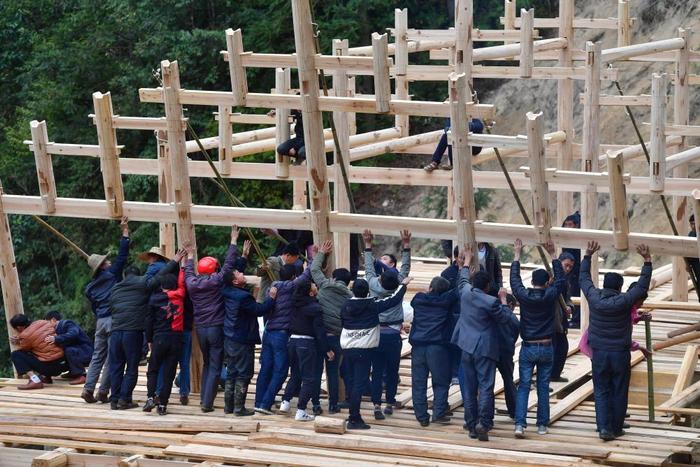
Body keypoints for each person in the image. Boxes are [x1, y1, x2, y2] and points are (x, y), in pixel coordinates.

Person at [581, 241, 652, 441]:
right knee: (619, 389)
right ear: (620, 288)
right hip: (620, 353)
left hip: (599, 353)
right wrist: (647, 260)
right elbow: (642, 286)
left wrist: (587, 255)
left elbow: (584, 278)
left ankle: (604, 428)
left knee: (601, 390)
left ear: (604, 285)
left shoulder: (594, 297)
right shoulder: (625, 300)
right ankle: (616, 427)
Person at [451, 244, 517, 442]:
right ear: (488, 287)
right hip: (485, 348)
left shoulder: (465, 292)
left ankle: (471, 425)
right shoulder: (491, 302)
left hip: (466, 345)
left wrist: (467, 262)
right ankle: (484, 423)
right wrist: (504, 299)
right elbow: (505, 318)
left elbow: (462, 279)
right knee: (486, 386)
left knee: (470, 388)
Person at [510, 239, 566, 438]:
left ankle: (519, 425)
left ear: (532, 282)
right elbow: (561, 281)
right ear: (546, 282)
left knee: (524, 386)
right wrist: (553, 256)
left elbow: (514, 281)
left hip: (528, 347)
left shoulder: (524, 296)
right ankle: (542, 425)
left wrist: (517, 255)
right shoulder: (550, 295)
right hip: (547, 346)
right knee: (543, 387)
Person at [341, 277, 411, 429]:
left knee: (353, 383)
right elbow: (394, 299)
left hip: (347, 349)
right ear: (367, 292)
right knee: (359, 385)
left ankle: (354, 414)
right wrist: (403, 284)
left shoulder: (345, 305)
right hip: (364, 350)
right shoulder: (371, 305)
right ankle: (354, 418)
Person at [183, 226, 240, 413]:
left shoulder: (191, 283)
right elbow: (229, 265)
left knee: (208, 363)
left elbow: (189, 271)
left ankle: (203, 399)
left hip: (200, 328)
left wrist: (190, 255)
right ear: (213, 269)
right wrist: (233, 241)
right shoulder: (216, 281)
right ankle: (207, 403)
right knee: (215, 365)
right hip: (215, 327)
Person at [109, 260, 177, 410]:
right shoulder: (141, 283)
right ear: (138, 274)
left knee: (116, 366)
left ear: (125, 275)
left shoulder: (115, 288)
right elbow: (160, 276)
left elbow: (111, 307)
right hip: (132, 331)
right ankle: (125, 399)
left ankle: (114, 399)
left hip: (114, 332)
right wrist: (175, 261)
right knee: (132, 367)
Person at [363, 229, 412, 420]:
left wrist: (368, 244)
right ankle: (390, 402)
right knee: (392, 371)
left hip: (375, 334)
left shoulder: (373, 285)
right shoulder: (399, 286)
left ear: (381, 277)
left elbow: (368, 268)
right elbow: (405, 269)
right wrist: (406, 245)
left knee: (376, 371)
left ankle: (376, 404)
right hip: (393, 335)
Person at [82, 216, 130, 404]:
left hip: (100, 321)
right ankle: (103, 391)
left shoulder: (91, 287)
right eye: (106, 261)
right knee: (113, 356)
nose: (110, 262)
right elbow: (123, 256)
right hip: (113, 319)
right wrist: (125, 231)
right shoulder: (111, 275)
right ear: (103, 266)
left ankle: (88, 388)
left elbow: (94, 307)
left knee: (97, 356)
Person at [254, 263, 311, 414]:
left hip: (269, 331)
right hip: (281, 334)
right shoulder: (291, 286)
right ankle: (265, 404)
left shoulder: (273, 286)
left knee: (266, 369)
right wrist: (313, 260)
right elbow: (306, 277)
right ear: (293, 276)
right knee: (280, 371)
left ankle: (259, 401)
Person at [221, 269, 276, 416]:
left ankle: (229, 406)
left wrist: (244, 256)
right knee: (244, 374)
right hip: (242, 339)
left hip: (229, 337)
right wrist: (271, 298)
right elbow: (259, 310)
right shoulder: (243, 297)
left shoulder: (226, 291)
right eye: (238, 273)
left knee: (231, 372)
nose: (241, 273)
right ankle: (239, 408)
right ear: (235, 281)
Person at [278, 279, 333, 421]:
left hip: (292, 341)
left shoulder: (294, 304)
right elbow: (319, 331)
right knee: (309, 379)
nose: (316, 286)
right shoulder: (315, 308)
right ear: (310, 292)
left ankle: (285, 402)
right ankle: (301, 410)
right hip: (307, 343)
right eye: (314, 285)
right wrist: (327, 349)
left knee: (295, 375)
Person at [309, 240, 353, 414]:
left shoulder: (325, 285)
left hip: (319, 336)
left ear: (334, 278)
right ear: (348, 282)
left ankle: (316, 404)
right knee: (333, 373)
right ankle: (334, 405)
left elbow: (314, 270)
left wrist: (321, 253)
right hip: (337, 337)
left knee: (316, 371)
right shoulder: (350, 296)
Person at [142, 249, 187, 415]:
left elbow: (149, 321)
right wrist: (183, 264)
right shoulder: (180, 295)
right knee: (169, 372)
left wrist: (149, 339)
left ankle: (150, 396)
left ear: (162, 286)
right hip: (176, 339)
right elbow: (182, 282)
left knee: (153, 369)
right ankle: (163, 405)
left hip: (159, 338)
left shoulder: (154, 300)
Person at [409, 276, 458, 427]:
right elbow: (458, 291)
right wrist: (465, 268)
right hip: (438, 348)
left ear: (430, 288)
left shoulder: (418, 300)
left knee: (418, 383)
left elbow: (420, 296)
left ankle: (422, 416)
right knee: (441, 382)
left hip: (418, 347)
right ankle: (438, 413)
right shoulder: (446, 302)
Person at [9, 315, 66, 390]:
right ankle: (46, 377)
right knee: (43, 350)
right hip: (63, 363)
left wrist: (18, 341)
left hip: (50, 368)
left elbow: (25, 349)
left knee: (16, 355)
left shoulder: (25, 335)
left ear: (19, 327)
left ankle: (35, 380)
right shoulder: (42, 322)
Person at [44, 310, 93, 385]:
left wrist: (56, 338)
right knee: (58, 351)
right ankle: (72, 372)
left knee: (69, 350)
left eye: (47, 322)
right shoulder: (55, 329)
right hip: (77, 352)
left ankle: (81, 375)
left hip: (86, 352)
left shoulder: (67, 323)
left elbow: (73, 334)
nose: (47, 325)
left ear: (53, 320)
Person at [551, 251, 577, 383]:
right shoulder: (550, 278)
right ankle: (549, 375)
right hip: (551, 320)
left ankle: (555, 374)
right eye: (565, 265)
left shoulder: (566, 282)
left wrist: (569, 306)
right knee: (554, 348)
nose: (567, 269)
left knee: (562, 348)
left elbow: (568, 299)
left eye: (570, 267)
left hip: (561, 320)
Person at [495, 293, 519, 420]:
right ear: (510, 305)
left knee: (486, 382)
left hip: (490, 350)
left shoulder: (492, 313)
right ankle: (514, 411)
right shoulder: (513, 319)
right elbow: (515, 334)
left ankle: (485, 412)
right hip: (506, 352)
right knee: (509, 381)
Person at [561, 212, 582, 328]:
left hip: (577, 270)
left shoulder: (578, 236)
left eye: (571, 225)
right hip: (568, 270)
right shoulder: (564, 236)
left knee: (577, 294)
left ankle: (577, 319)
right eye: (566, 224)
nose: (568, 227)